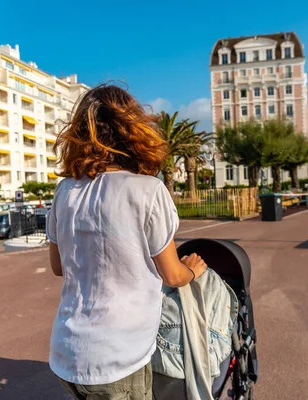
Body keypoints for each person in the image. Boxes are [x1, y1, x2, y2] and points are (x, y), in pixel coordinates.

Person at [46, 84, 208, 400]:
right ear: (133, 131)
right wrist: (193, 270)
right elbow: (172, 275)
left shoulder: (65, 192)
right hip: (117, 358)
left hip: (67, 352)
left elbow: (58, 267)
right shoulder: (147, 191)